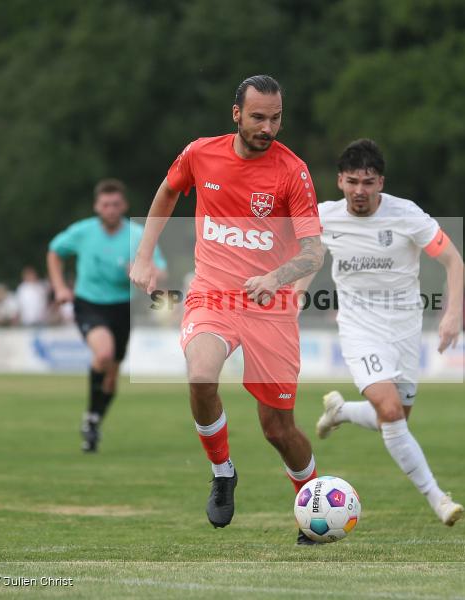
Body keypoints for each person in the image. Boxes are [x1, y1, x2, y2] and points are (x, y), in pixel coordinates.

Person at [128, 75, 325, 544]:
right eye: (258, 117)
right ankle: (222, 472)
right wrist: (144, 255)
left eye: (275, 118)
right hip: (212, 296)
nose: (267, 127)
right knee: (200, 375)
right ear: (236, 114)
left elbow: (314, 252)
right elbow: (168, 190)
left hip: (270, 308)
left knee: (278, 429)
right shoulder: (201, 153)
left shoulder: (292, 172)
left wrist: (275, 278)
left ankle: (315, 507)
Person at [297, 138, 465, 528]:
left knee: (395, 417)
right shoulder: (324, 217)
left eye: (368, 182)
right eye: (353, 181)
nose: (360, 190)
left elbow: (453, 260)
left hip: (405, 327)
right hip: (359, 327)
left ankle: (340, 411)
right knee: (390, 411)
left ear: (381, 183)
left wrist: (453, 312)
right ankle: (438, 499)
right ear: (340, 181)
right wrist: (295, 295)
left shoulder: (407, 215)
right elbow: (309, 257)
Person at [47, 179, 167, 452]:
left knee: (111, 377)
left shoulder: (137, 235)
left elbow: (161, 270)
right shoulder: (82, 232)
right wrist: (60, 287)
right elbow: (55, 252)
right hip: (89, 303)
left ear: (124, 206)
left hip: (122, 307)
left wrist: (142, 270)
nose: (110, 209)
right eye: (105, 205)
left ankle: (93, 419)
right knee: (103, 354)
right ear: (96, 206)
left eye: (115, 204)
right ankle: (91, 419)